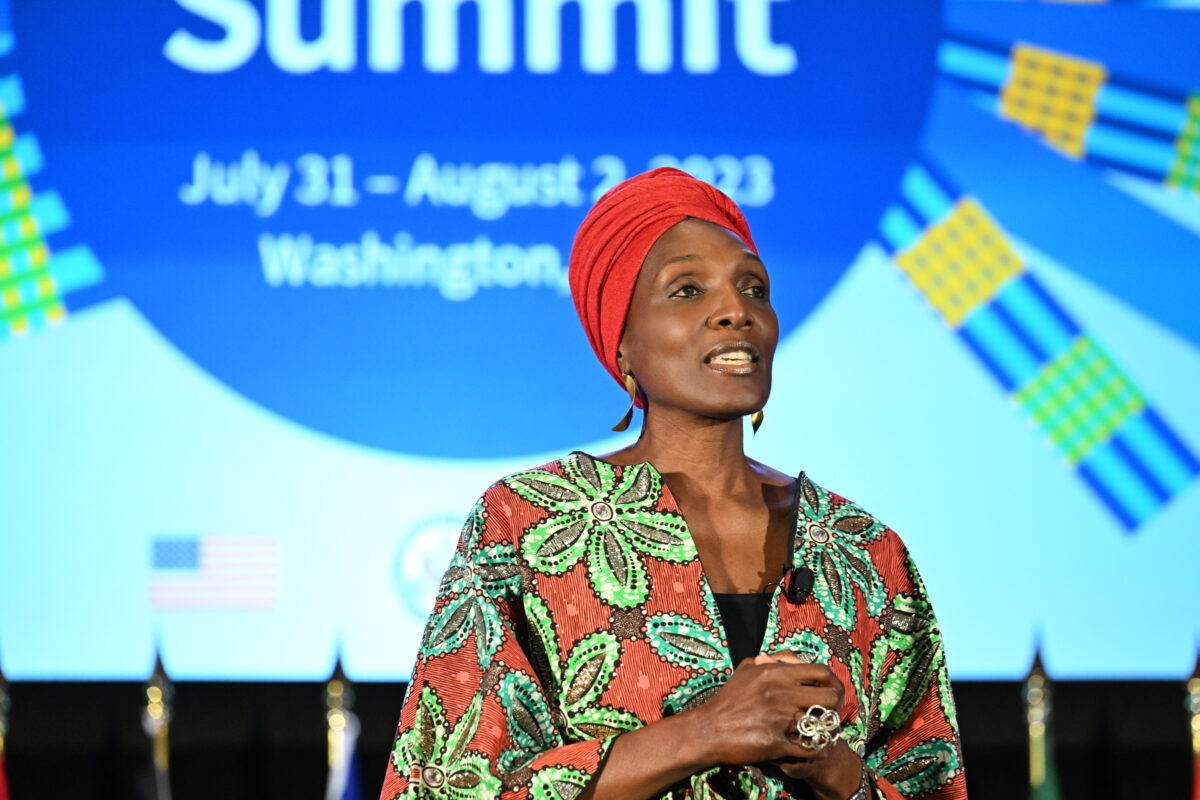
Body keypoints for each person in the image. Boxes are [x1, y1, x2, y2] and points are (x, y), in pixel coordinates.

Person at [380, 168, 966, 799]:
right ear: (622, 344)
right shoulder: (523, 525)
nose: (735, 311)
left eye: (754, 289)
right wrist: (707, 731)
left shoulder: (867, 554)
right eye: (688, 290)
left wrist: (836, 771)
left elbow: (932, 783)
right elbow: (443, 785)